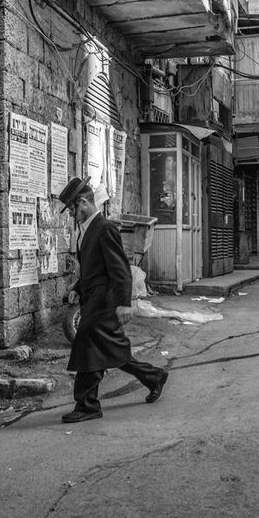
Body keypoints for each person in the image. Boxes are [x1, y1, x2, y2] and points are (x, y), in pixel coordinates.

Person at [56, 176, 168, 423]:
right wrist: (79, 289)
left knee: (89, 350)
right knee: (109, 350)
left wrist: (124, 303)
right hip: (93, 300)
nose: (72, 214)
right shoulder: (85, 232)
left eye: (73, 209)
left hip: (105, 304)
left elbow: (119, 270)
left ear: (83, 202)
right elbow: (93, 269)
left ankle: (87, 405)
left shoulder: (104, 229)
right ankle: (153, 377)